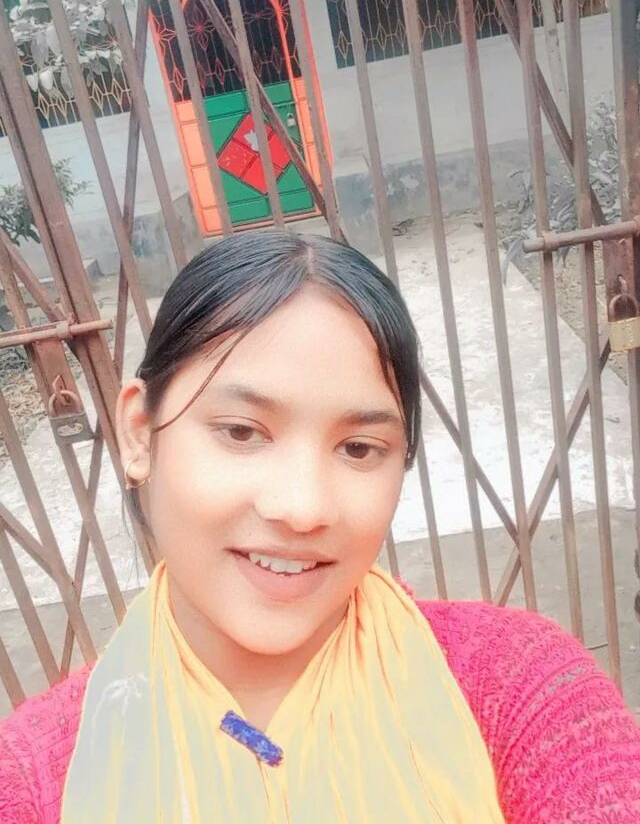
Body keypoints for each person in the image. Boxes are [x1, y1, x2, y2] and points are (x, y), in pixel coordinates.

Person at [1, 230, 639, 823]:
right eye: (242, 432)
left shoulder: (520, 687)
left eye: (359, 448)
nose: (303, 508)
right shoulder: (32, 779)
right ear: (140, 433)